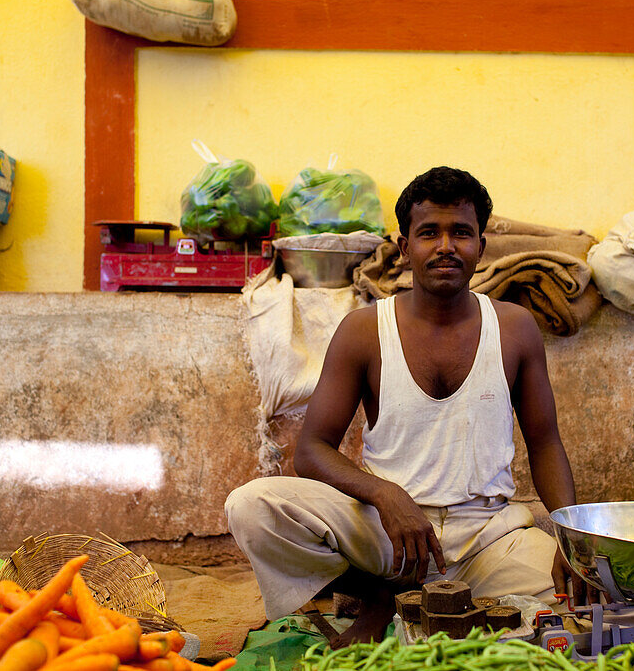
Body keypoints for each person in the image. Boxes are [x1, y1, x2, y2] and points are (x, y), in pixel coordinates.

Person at [226, 166, 585, 646]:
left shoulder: (514, 328)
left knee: (588, 592)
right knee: (252, 507)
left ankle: (425, 599)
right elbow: (311, 449)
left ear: (480, 245)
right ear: (404, 247)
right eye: (428, 233)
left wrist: (572, 535)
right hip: (387, 535)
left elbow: (545, 442)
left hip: (489, 536)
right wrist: (386, 495)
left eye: (461, 232)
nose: (445, 246)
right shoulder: (365, 329)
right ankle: (380, 594)